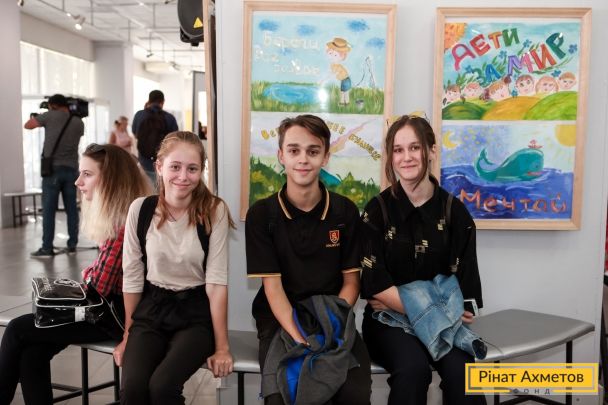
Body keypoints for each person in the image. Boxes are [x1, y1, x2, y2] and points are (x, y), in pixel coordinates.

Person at [0, 143, 151, 405]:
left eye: (87, 174)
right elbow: (96, 278)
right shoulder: (123, 215)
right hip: (108, 312)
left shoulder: (122, 223)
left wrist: (89, 272)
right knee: (33, 352)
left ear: (111, 180)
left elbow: (99, 285)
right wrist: (91, 273)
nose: (78, 181)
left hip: (115, 319)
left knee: (17, 329)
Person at [246, 114, 371, 405]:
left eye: (313, 151)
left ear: (326, 157)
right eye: (294, 150)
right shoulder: (262, 215)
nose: (303, 159)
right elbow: (273, 289)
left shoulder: (345, 212)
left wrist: (329, 329)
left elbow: (352, 283)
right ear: (281, 156)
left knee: (353, 395)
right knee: (281, 396)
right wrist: (302, 339)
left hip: (332, 317)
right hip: (280, 320)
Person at [359, 115, 485, 405]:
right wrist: (437, 304)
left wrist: (404, 300)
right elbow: (375, 286)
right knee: (413, 370)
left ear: (431, 151)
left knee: (463, 373)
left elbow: (465, 301)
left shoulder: (456, 213)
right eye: (398, 149)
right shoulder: (377, 211)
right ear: (390, 156)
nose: (406, 157)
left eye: (414, 147)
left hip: (444, 325)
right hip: (387, 323)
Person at [116, 131, 234, 404]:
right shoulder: (140, 209)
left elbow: (216, 283)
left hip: (195, 314)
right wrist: (127, 336)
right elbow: (132, 277)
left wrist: (222, 347)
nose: (183, 176)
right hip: (152, 308)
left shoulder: (214, 210)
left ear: (201, 171)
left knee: (162, 387)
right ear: (159, 167)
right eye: (175, 167)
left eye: (192, 169)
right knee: (133, 390)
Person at [24, 94, 84, 258]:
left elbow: (28, 125)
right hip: (72, 170)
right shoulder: (78, 122)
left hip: (53, 171)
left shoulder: (49, 116)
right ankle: (72, 245)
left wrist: (40, 116)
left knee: (49, 210)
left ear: (52, 105)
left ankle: (47, 248)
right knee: (72, 209)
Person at [132, 90, 178, 185]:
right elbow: (174, 140)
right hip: (163, 162)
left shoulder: (139, 115)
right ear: (163, 102)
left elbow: (135, 134)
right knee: (162, 188)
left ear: (149, 100)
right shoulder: (170, 118)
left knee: (145, 188)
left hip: (144, 160)